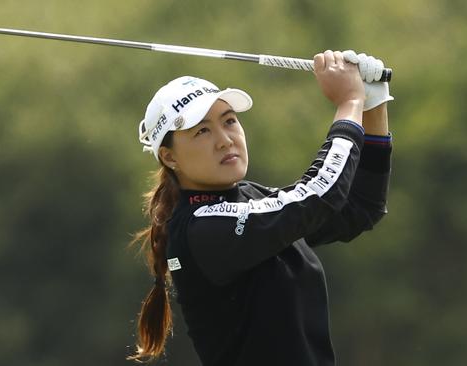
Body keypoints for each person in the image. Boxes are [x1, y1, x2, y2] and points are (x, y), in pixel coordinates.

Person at [128, 50, 394, 365]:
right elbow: (319, 194)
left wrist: (372, 104)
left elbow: (359, 207)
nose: (224, 139)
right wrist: (350, 103)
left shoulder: (249, 200)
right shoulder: (204, 228)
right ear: (170, 157)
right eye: (202, 130)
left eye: (229, 121)